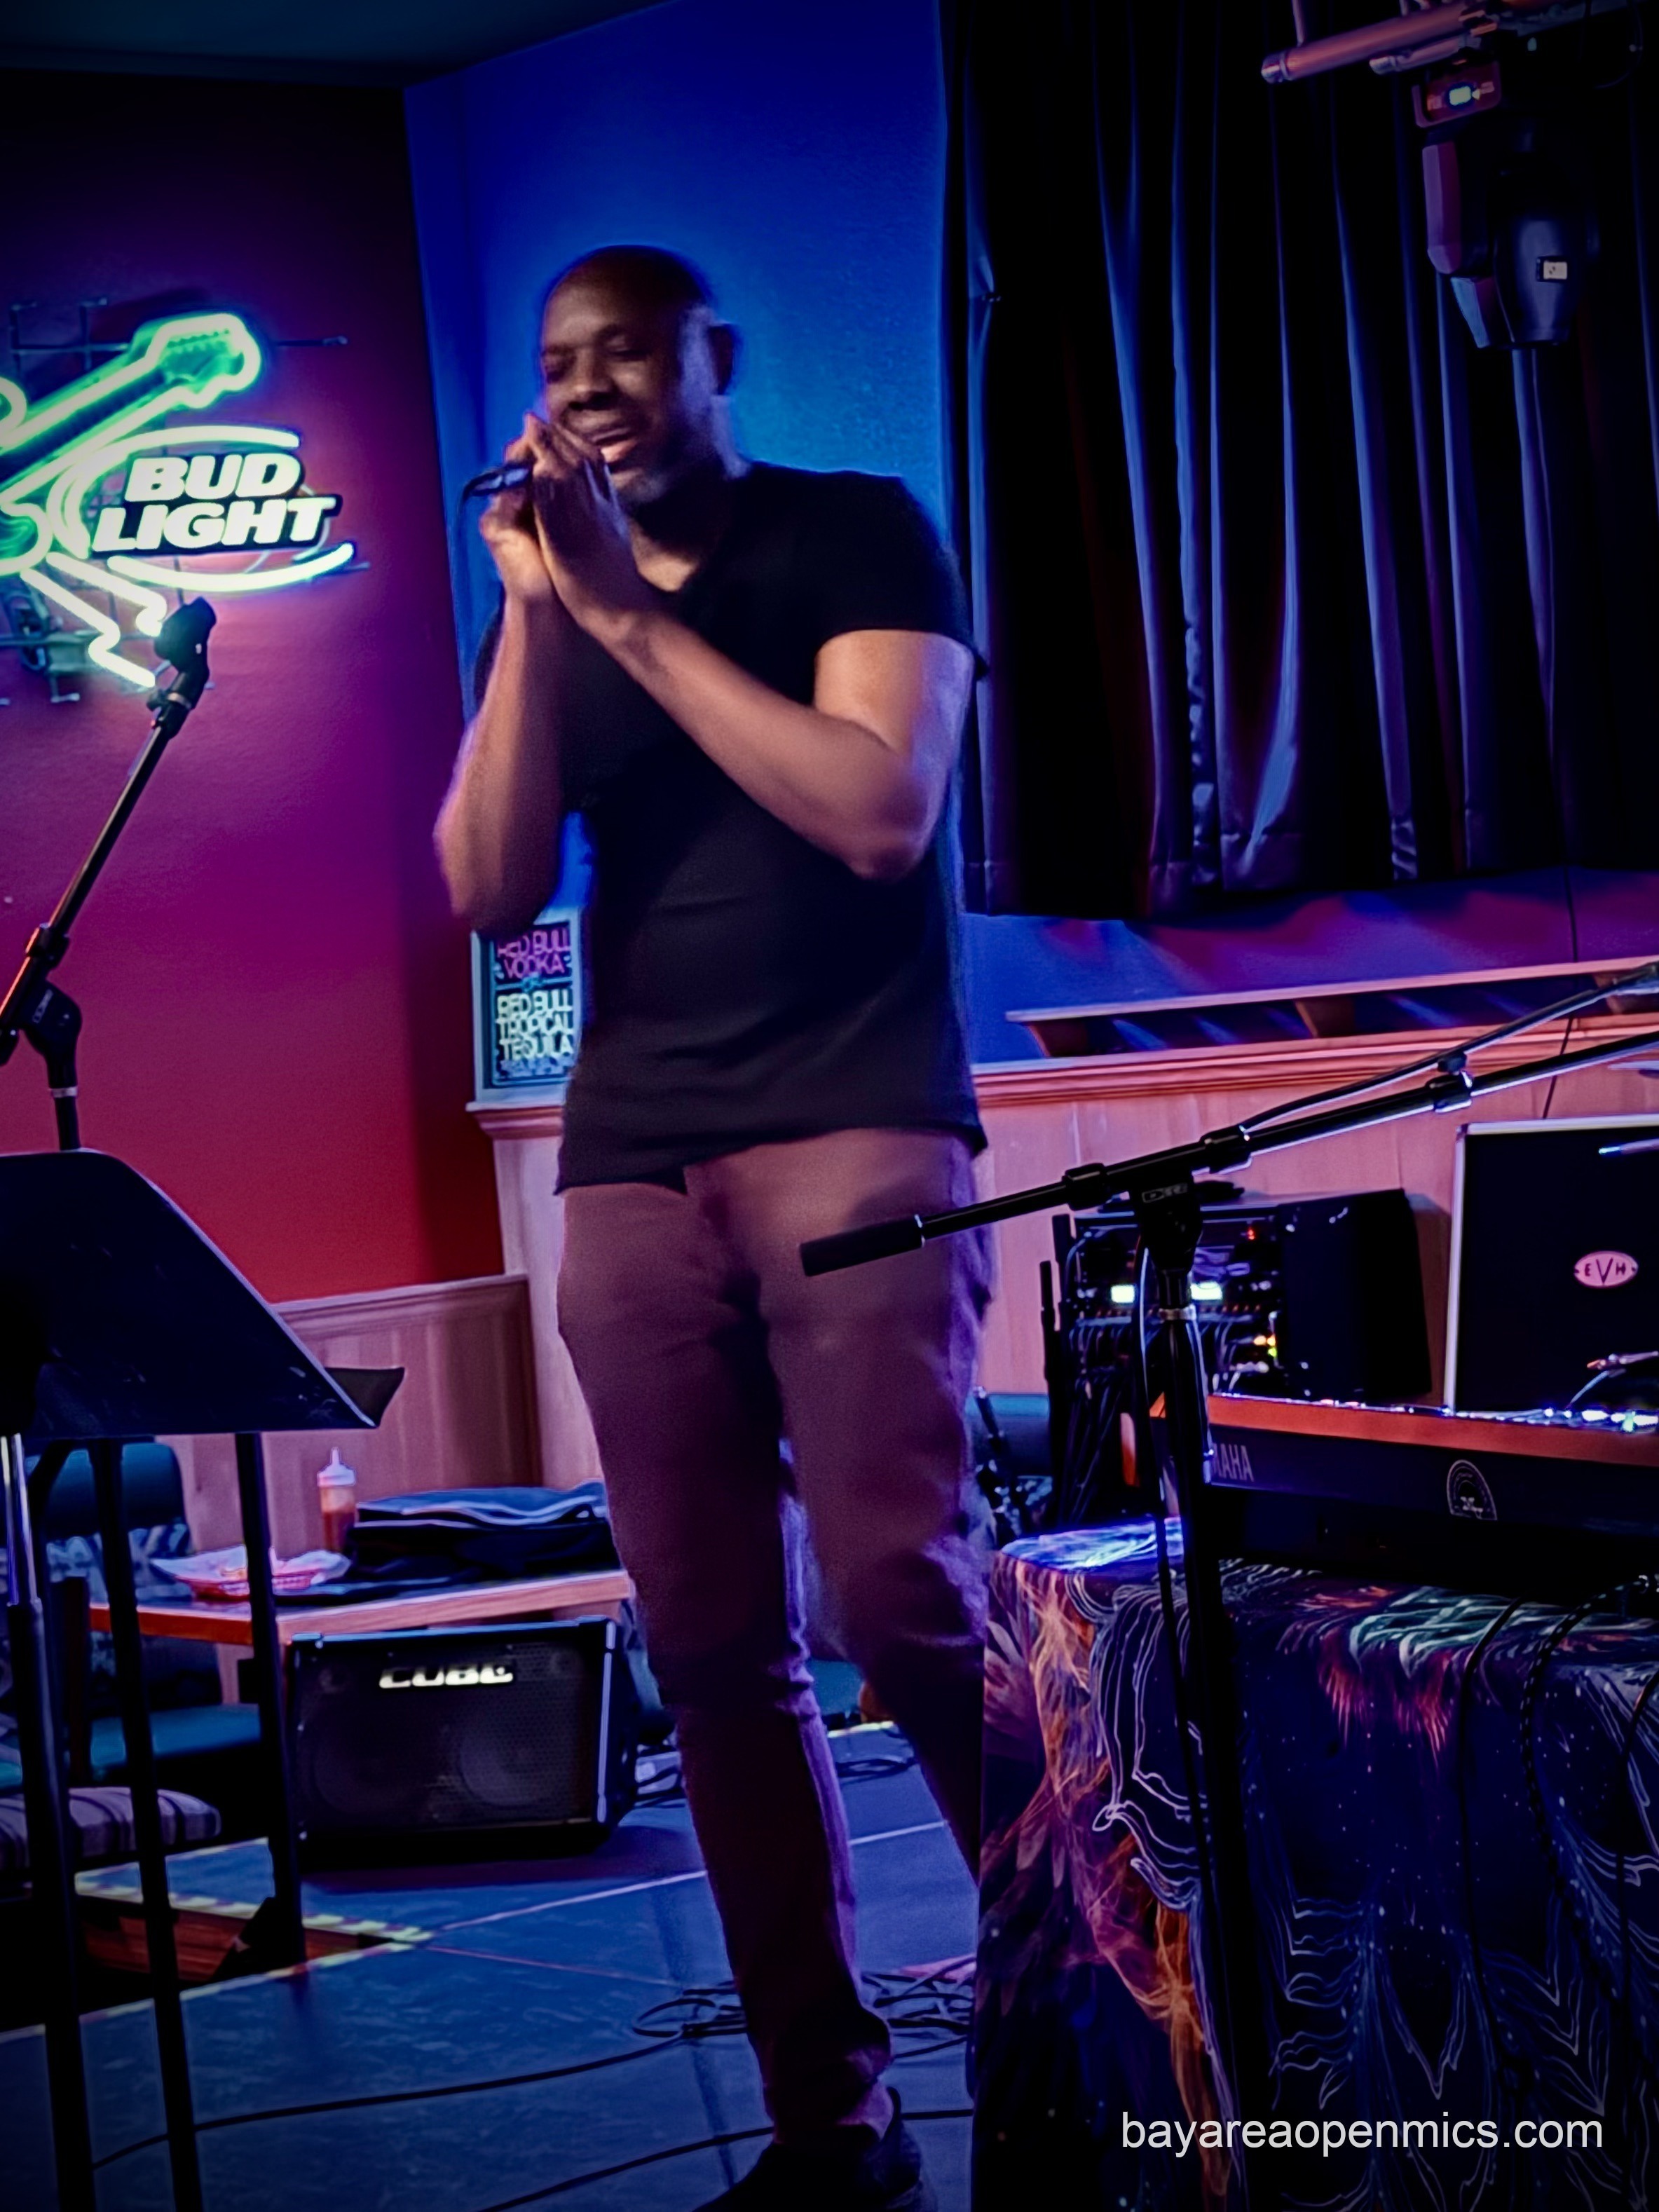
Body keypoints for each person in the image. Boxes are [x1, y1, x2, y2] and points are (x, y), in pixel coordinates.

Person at [436, 245, 989, 2212]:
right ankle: (835, 2128)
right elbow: (491, 891)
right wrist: (535, 620)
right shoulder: (558, 601)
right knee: (713, 1646)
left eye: (629, 351)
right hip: (634, 1151)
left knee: (897, 1595)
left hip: (853, 1129)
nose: (591, 389)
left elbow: (874, 806)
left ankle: (1123, 1974)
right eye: (558, 360)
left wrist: (627, 617)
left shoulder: (852, 534)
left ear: (715, 359)